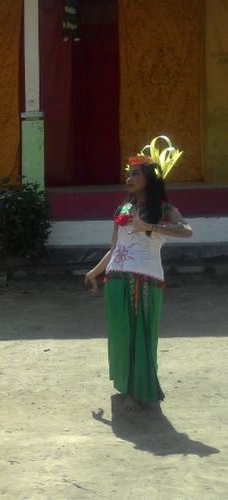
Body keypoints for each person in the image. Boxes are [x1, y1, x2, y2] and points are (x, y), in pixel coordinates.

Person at [85, 137, 193, 411]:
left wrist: (151, 226)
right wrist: (95, 272)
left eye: (135, 174)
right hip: (116, 278)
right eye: (128, 174)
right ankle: (126, 387)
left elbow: (186, 231)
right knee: (121, 335)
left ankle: (138, 388)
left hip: (145, 278)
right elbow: (115, 247)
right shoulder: (122, 209)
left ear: (149, 179)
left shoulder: (165, 210)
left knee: (141, 334)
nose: (129, 178)